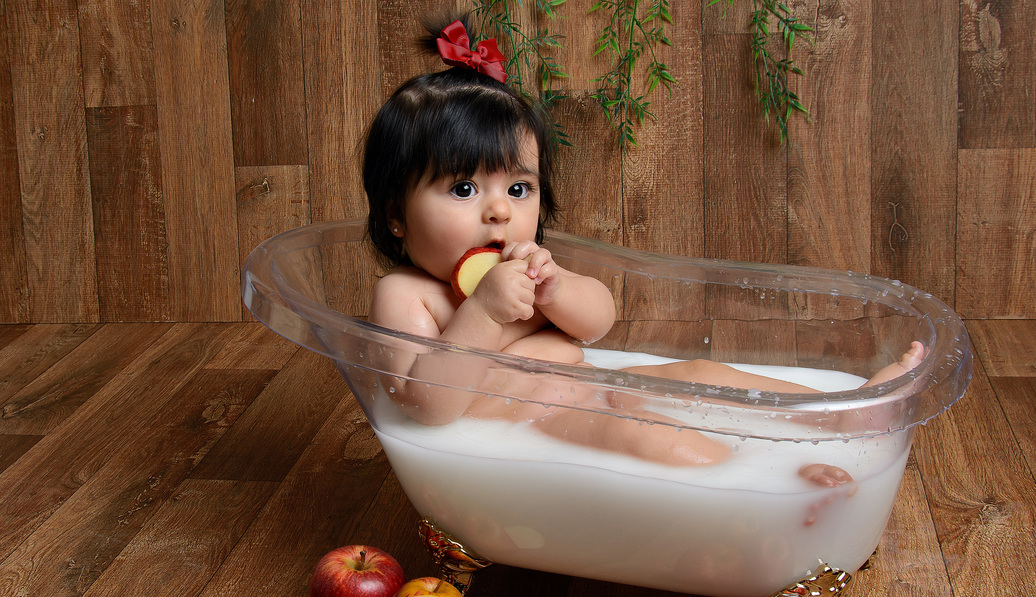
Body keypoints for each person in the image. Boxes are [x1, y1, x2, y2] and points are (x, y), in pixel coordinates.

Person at [363, 17, 923, 471]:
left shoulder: (523, 265)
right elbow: (429, 407)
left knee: (703, 376)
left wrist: (556, 290)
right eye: (464, 188)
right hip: (551, 426)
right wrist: (483, 311)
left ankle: (831, 418)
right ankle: (779, 484)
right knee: (656, 443)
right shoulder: (407, 296)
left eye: (518, 187)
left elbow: (597, 324)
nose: (500, 210)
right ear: (396, 216)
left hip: (602, 383)